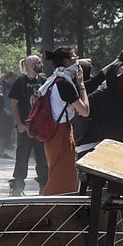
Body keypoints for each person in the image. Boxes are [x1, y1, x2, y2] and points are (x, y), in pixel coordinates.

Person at [37, 47, 91, 195]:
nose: (77, 62)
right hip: (61, 133)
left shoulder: (53, 80)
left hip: (53, 133)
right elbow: (85, 111)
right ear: (67, 62)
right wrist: (81, 85)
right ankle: (52, 211)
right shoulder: (65, 84)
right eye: (75, 58)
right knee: (62, 178)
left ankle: (57, 211)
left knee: (58, 174)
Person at [8, 55, 47, 196]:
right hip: (25, 127)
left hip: (40, 128)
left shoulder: (44, 81)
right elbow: (14, 104)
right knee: (22, 157)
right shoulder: (20, 81)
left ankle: (44, 186)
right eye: (38, 62)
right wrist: (19, 123)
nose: (41, 64)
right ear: (31, 65)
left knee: (42, 157)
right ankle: (17, 186)